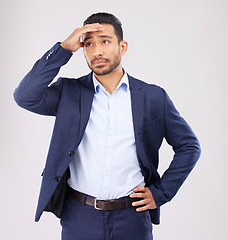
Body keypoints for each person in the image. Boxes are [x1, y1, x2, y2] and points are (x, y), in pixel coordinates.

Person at [14, 12, 201, 240]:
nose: (97, 51)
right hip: (79, 216)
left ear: (122, 46)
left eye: (104, 41)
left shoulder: (153, 97)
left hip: (132, 216)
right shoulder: (69, 93)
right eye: (89, 44)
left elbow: (189, 146)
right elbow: (25, 96)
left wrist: (161, 192)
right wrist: (64, 48)